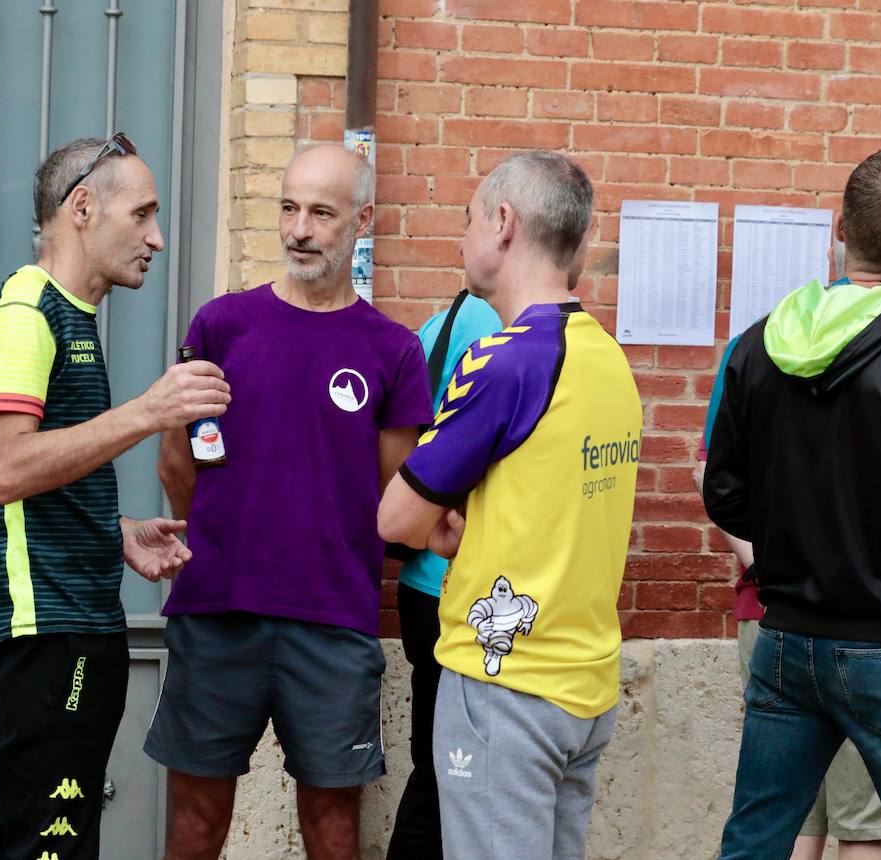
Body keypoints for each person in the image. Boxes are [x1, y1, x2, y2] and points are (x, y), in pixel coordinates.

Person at [704, 145, 881, 860]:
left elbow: (725, 494)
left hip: (785, 637)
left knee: (756, 843)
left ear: (840, 228)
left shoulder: (757, 344)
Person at [145, 144, 432, 860]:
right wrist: (223, 538)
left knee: (334, 836)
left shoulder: (392, 350)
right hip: (216, 617)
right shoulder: (222, 325)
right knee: (195, 829)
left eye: (321, 213)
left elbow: (392, 494)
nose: (299, 228)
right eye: (288, 207)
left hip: (333, 625)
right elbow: (178, 462)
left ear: (362, 220)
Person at [0, 134, 230, 860]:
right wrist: (148, 411)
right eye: (141, 215)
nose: (157, 238)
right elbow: (5, 471)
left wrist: (113, 529)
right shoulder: (24, 317)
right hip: (46, 628)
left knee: (41, 837)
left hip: (67, 622)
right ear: (81, 208)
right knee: (52, 844)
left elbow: (29, 484)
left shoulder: (61, 315)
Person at [378, 150, 641, 860]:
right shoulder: (607, 358)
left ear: (502, 224)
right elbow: (552, 500)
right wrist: (468, 524)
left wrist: (434, 521)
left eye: (466, 218)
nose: (461, 237)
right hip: (583, 684)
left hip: (506, 686)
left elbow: (394, 520)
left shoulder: (505, 358)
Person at [697, 342, 881, 858]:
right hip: (867, 621)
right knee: (861, 820)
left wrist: (770, 568)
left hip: (773, 612)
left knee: (783, 816)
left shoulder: (754, 345)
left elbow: (709, 474)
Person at [387, 288, 502, 860]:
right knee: (447, 775)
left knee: (435, 767)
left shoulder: (437, 321)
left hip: (421, 582)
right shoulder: (491, 326)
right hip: (453, 585)